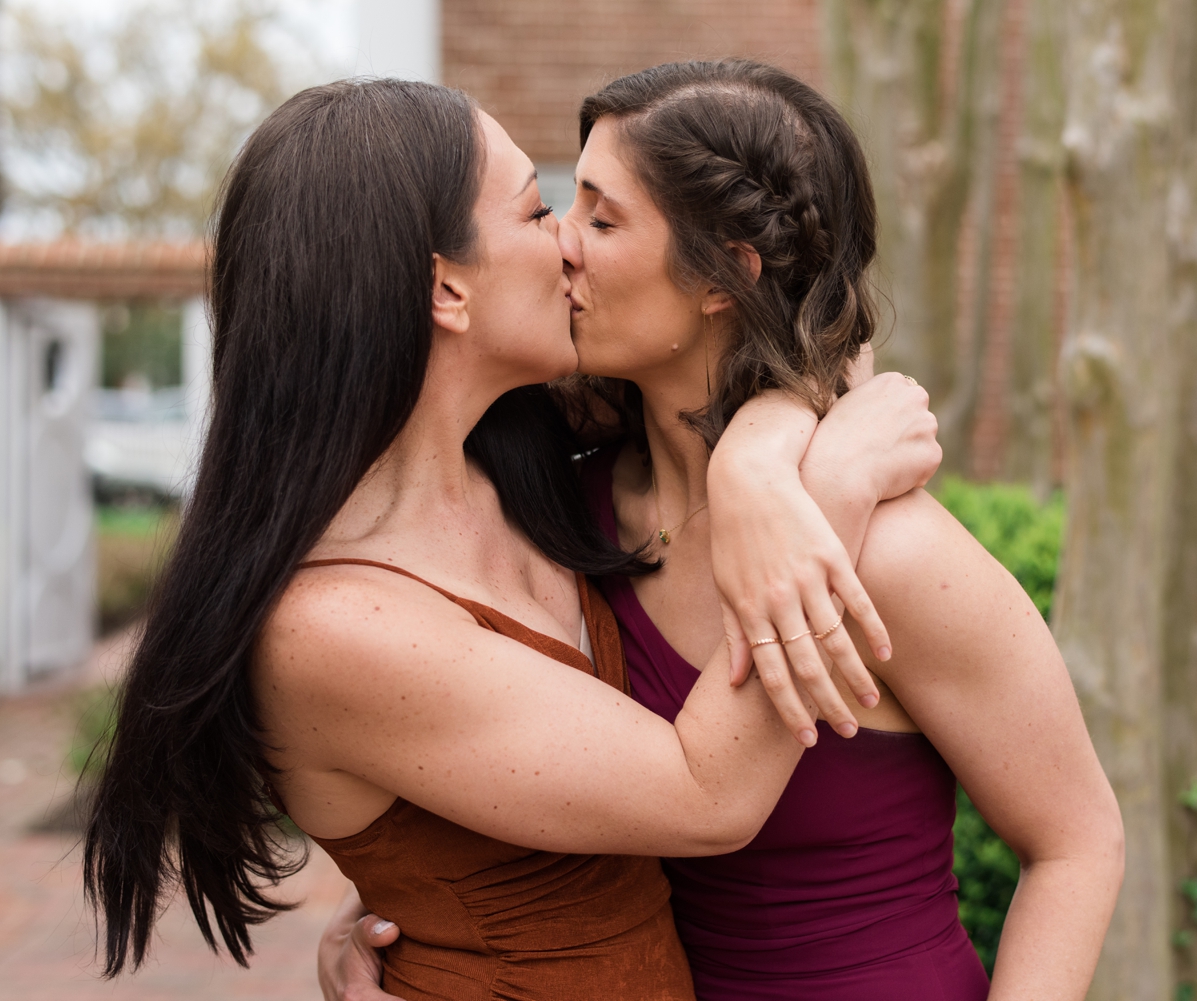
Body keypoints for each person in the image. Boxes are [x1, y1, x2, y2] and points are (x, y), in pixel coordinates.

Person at [84, 77, 940, 1001]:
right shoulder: (328, 623)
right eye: (539, 211)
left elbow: (809, 339)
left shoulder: (530, 466)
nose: (570, 240)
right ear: (447, 288)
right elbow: (707, 795)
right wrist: (831, 491)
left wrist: (759, 464)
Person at [326, 61, 1123, 1000]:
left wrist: (771, 454)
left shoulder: (891, 554)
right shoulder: (558, 517)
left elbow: (1077, 840)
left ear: (725, 273)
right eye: (559, 206)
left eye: (601, 217)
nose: (561, 249)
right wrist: (416, 908)